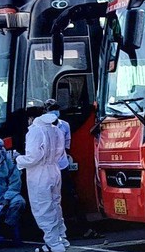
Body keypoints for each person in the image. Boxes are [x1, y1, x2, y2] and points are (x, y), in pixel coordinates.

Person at [44, 99, 103, 240]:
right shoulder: (40, 127)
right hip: (47, 168)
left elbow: (66, 146)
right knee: (49, 200)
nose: (54, 111)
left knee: (71, 198)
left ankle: (83, 229)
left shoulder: (64, 126)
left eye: (56, 108)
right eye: (51, 109)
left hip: (62, 166)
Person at [16, 101, 68, 252]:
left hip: (39, 173)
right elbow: (60, 152)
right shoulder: (56, 129)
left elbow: (33, 157)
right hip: (54, 169)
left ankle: (53, 243)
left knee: (43, 208)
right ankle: (61, 238)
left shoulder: (35, 131)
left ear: (31, 118)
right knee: (56, 206)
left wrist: (18, 159)